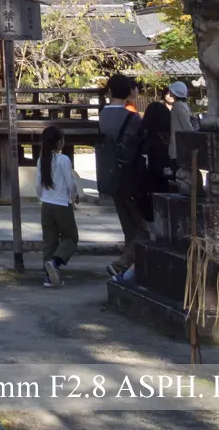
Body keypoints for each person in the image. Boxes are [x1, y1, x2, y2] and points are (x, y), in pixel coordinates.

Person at [98, 73, 149, 281]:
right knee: (141, 229)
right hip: (130, 176)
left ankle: (129, 269)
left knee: (127, 226)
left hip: (110, 174)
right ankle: (122, 265)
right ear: (129, 91)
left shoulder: (102, 114)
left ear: (109, 91)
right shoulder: (132, 117)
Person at [38, 124, 80, 288]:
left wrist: (41, 198)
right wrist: (74, 196)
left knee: (49, 241)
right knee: (71, 237)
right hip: (61, 203)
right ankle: (55, 262)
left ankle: (49, 277)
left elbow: (37, 184)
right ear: (58, 142)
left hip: (46, 204)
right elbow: (70, 182)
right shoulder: (63, 159)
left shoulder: (42, 159)